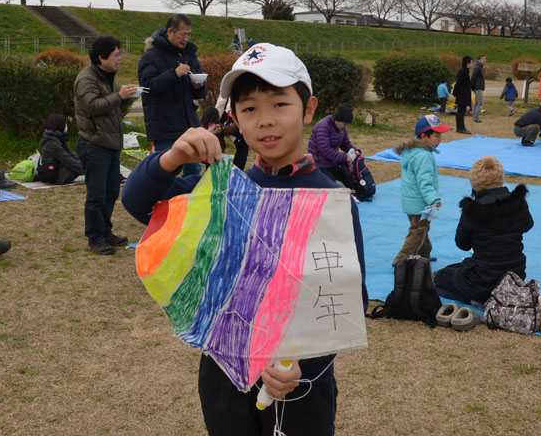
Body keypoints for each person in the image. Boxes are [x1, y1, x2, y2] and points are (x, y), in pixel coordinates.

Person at [122, 43, 367, 436]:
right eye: (250, 109)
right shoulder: (223, 192)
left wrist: (304, 368)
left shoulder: (331, 204)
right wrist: (169, 160)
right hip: (223, 371)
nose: (265, 121)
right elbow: (137, 205)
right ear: (235, 118)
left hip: (299, 383)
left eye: (279, 104)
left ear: (307, 109)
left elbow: (345, 303)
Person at [433, 156, 532, 305]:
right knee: (457, 268)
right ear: (501, 178)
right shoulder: (518, 202)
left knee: (440, 277)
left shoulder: (473, 210)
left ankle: (477, 299)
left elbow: (462, 244)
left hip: (481, 283)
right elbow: (527, 225)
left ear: (474, 181)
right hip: (515, 277)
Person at [74, 36, 139, 255]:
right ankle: (95, 238)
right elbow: (92, 106)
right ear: (102, 58)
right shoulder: (87, 79)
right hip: (94, 144)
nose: (119, 58)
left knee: (111, 191)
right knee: (96, 194)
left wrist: (127, 96)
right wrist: (118, 95)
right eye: (116, 55)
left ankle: (105, 231)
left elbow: (110, 106)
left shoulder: (106, 76)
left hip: (110, 144)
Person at [138, 14, 207, 176]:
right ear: (170, 31)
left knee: (194, 170)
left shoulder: (190, 54)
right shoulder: (151, 57)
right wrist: (174, 74)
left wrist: (198, 85)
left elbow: (201, 92)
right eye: (183, 34)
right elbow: (148, 87)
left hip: (189, 123)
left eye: (189, 35)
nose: (186, 39)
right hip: (165, 126)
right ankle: (167, 201)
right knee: (166, 171)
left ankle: (190, 201)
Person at [392, 114, 451, 265]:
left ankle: (424, 254)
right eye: (437, 136)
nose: (440, 139)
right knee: (418, 231)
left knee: (421, 229)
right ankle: (400, 259)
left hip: (411, 201)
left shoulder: (412, 152)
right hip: (421, 203)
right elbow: (424, 182)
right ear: (424, 136)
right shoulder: (424, 156)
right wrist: (433, 199)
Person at [308, 103, 359, 187]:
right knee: (331, 188)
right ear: (338, 119)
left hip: (333, 163)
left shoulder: (341, 127)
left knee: (351, 182)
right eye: (344, 124)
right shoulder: (323, 127)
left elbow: (345, 143)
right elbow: (325, 150)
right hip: (319, 165)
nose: (345, 126)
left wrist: (355, 150)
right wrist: (345, 157)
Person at [38, 113, 83, 185]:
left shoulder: (58, 139)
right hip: (57, 176)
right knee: (85, 163)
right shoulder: (52, 143)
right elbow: (68, 160)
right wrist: (86, 170)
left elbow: (73, 155)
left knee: (85, 160)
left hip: (61, 171)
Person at [214, 94, 250, 171]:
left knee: (242, 147)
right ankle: (236, 172)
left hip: (231, 117)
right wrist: (215, 120)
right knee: (242, 147)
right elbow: (221, 102)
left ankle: (235, 172)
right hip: (229, 117)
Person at [453, 56, 473, 134]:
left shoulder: (466, 72)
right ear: (467, 63)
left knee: (461, 112)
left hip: (464, 95)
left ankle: (460, 128)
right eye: (471, 62)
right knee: (461, 112)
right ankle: (461, 128)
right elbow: (459, 84)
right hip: (462, 95)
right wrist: (455, 93)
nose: (472, 64)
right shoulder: (462, 72)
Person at [471, 54, 486, 123]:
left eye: (485, 59)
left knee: (477, 102)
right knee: (480, 102)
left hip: (478, 87)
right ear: (479, 60)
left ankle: (475, 118)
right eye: (483, 58)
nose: (484, 60)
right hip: (478, 88)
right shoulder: (477, 67)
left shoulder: (479, 67)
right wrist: (472, 87)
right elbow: (473, 77)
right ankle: (476, 118)